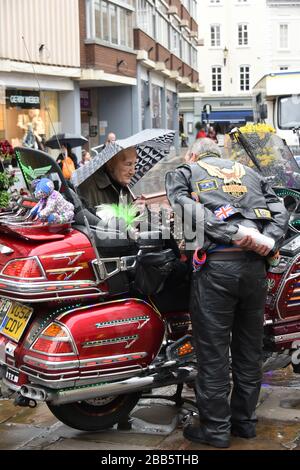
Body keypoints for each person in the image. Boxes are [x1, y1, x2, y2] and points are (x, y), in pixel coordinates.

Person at [165, 138, 289, 448]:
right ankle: (244, 423)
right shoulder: (249, 173)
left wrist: (229, 232)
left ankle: (216, 429)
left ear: (193, 155)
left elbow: (180, 201)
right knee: (249, 350)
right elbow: (282, 210)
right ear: (221, 156)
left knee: (213, 353)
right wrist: (265, 239)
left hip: (217, 268)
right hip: (254, 271)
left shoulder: (186, 170)